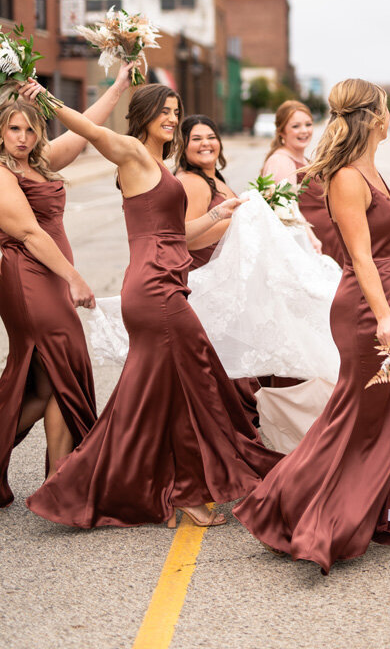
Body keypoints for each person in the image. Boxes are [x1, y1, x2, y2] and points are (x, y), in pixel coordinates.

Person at [234, 78, 390, 573]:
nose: (389, 116)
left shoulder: (371, 169)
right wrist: (384, 315)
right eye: (385, 108)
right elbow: (359, 253)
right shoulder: (345, 176)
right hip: (366, 309)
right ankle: (283, 503)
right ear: (375, 118)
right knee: (355, 418)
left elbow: (388, 238)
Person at [25, 83, 282, 529]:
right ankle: (176, 489)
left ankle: (132, 485)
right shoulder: (131, 152)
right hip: (155, 291)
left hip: (164, 284)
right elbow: (88, 128)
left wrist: (223, 214)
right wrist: (47, 99)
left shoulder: (160, 166)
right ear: (142, 114)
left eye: (176, 110)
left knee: (158, 396)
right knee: (199, 381)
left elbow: (175, 233)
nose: (171, 118)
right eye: (163, 111)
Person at [0, 64, 132, 506]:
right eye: (14, 128)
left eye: (32, 130)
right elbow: (31, 234)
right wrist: (75, 278)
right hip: (29, 279)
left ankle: (60, 482)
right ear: (1, 131)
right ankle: (62, 483)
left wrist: (118, 86)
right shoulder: (2, 173)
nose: (23, 137)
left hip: (50, 280)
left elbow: (88, 127)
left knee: (48, 383)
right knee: (62, 370)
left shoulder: (39, 162)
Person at [175, 114, 260, 423]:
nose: (205, 143)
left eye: (210, 136)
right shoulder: (193, 182)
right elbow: (187, 238)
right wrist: (238, 222)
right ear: (182, 147)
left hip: (226, 286)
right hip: (206, 286)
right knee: (223, 374)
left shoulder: (214, 178)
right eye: (196, 139)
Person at [262, 100, 344, 265]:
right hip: (313, 245)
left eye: (308, 124)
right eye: (296, 126)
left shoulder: (303, 159)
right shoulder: (281, 161)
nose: (304, 131)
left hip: (329, 241)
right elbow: (287, 211)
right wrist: (312, 240)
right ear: (281, 131)